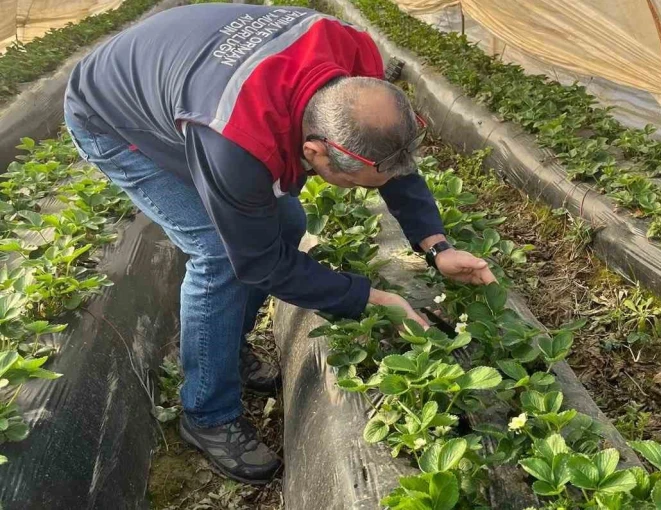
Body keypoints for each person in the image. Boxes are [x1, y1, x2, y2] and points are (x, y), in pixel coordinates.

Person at [63, 4, 495, 484]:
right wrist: (372, 299)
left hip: (186, 73)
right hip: (114, 119)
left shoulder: (356, 61)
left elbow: (389, 159)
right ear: (313, 151)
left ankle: (227, 346)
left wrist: (436, 245)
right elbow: (258, 261)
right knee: (220, 253)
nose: (365, 190)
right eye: (355, 184)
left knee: (285, 221)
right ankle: (207, 414)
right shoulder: (234, 142)